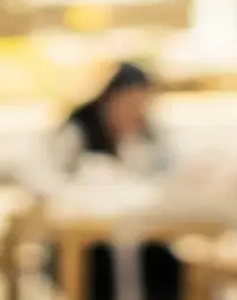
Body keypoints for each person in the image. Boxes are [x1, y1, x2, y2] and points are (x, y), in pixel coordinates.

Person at [27, 63, 181, 300]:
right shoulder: (78, 130)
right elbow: (46, 180)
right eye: (128, 102)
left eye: (141, 103)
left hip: (139, 237)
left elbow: (165, 178)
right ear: (110, 98)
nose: (134, 110)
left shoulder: (148, 134)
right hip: (85, 239)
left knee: (167, 269)